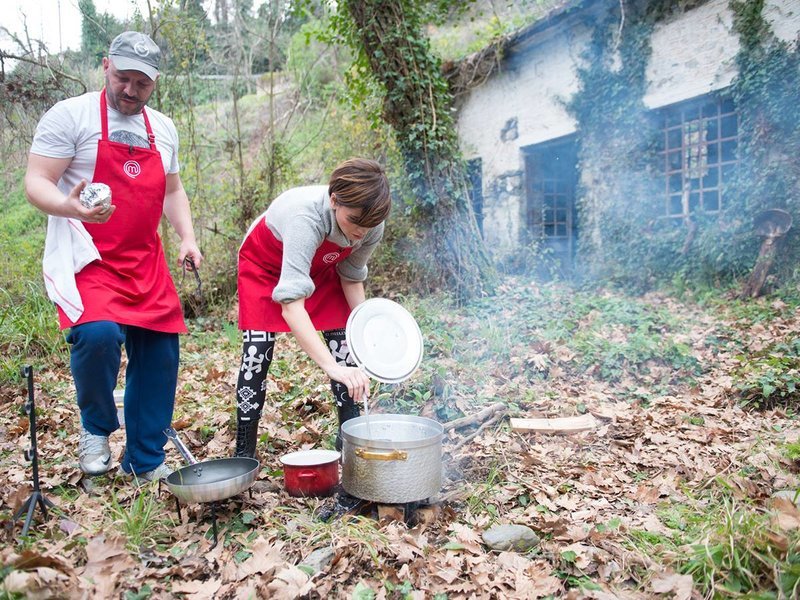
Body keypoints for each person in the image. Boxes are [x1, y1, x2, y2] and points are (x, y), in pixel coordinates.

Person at [24, 31, 203, 482]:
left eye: (141, 84)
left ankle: (145, 459)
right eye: (123, 78)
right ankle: (96, 428)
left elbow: (173, 190)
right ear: (105, 65)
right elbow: (37, 180)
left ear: (155, 83)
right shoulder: (71, 116)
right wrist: (68, 206)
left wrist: (187, 237)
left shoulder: (163, 129)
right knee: (98, 336)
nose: (130, 90)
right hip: (89, 256)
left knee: (161, 352)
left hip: (144, 259)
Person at [235, 158, 391, 458]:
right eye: (354, 221)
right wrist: (331, 369)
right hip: (265, 266)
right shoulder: (306, 218)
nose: (360, 232)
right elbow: (292, 306)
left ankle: (350, 435)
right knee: (258, 350)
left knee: (345, 344)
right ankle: (244, 452)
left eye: (368, 225)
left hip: (322, 268)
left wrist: (367, 335)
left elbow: (351, 276)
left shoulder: (371, 223)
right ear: (334, 201)